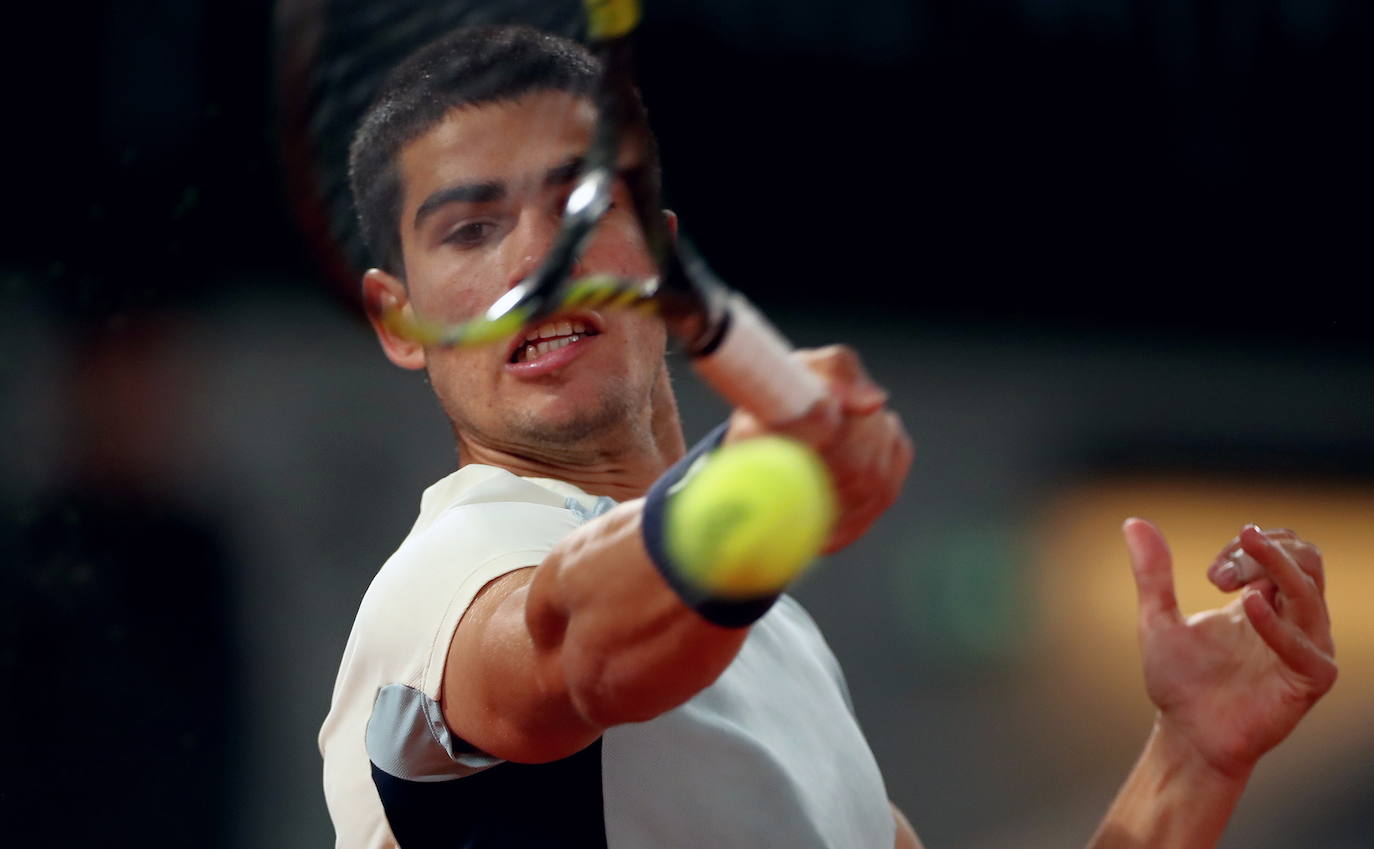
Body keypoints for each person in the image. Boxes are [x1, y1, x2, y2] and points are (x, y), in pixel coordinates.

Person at [318, 26, 1337, 849]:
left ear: (663, 260)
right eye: (470, 230)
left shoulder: (777, 645)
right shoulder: (444, 583)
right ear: (397, 319)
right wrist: (743, 486)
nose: (539, 257)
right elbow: (570, 644)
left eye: (579, 205)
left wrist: (1193, 759)